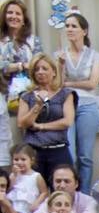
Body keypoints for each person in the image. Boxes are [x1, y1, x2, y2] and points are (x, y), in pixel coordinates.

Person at [53, 13, 99, 194]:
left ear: (84, 31)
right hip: (67, 105)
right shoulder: (60, 54)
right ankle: (67, 195)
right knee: (69, 155)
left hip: (88, 105)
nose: (69, 29)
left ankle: (85, 194)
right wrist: (60, 66)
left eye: (74, 26)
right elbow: (57, 84)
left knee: (85, 156)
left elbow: (92, 83)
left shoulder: (95, 56)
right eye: (67, 26)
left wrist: (68, 84)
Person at [17, 53, 75, 187]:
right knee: (34, 192)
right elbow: (22, 123)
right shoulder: (27, 96)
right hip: (34, 151)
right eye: (36, 69)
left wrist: (40, 126)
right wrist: (37, 106)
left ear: (54, 72)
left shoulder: (65, 94)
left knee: (62, 190)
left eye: (44, 68)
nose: (40, 72)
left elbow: (67, 121)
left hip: (58, 150)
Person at [0, 0, 43, 167]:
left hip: (28, 96)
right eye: (10, 13)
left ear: (24, 18)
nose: (14, 16)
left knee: (27, 138)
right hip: (3, 95)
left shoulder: (33, 41)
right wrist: (21, 65)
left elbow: (39, 63)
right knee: (6, 139)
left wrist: (10, 67)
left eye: (18, 13)